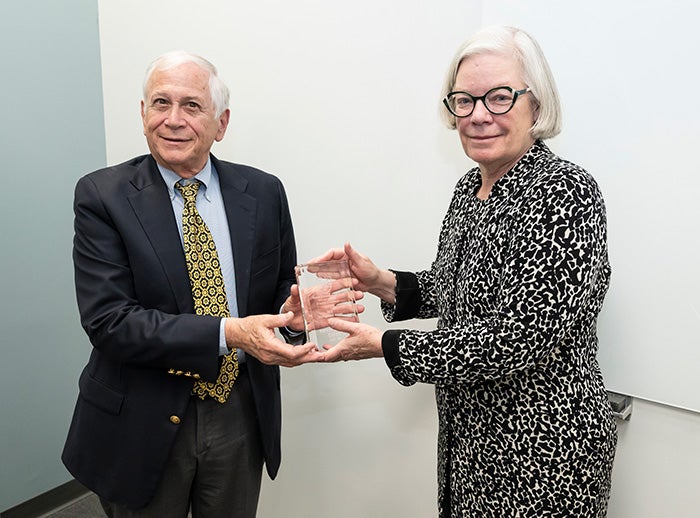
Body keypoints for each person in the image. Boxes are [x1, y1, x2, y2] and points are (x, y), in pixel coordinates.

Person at [309, 26, 617, 517]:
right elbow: (458, 290)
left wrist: (386, 345)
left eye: (498, 98)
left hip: (542, 455)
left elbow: (520, 335)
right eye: (463, 100)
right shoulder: (468, 189)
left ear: (535, 105)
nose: (478, 116)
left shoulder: (565, 193)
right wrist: (381, 281)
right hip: (468, 444)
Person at [61, 51, 327, 518]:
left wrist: (293, 320)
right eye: (160, 103)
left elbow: (279, 290)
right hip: (141, 416)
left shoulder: (263, 193)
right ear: (142, 115)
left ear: (221, 123)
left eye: (192, 105)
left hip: (239, 413)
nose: (173, 119)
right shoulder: (102, 196)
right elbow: (110, 322)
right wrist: (228, 333)